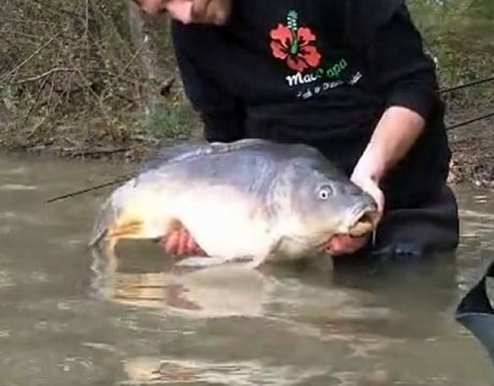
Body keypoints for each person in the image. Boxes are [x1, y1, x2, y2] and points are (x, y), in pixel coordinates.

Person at [128, 0, 460, 265]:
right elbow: (225, 142)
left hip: (399, 207)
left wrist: (367, 176)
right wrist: (209, 229)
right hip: (285, 228)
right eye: (164, 10)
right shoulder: (190, 36)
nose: (184, 15)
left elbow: (413, 85)